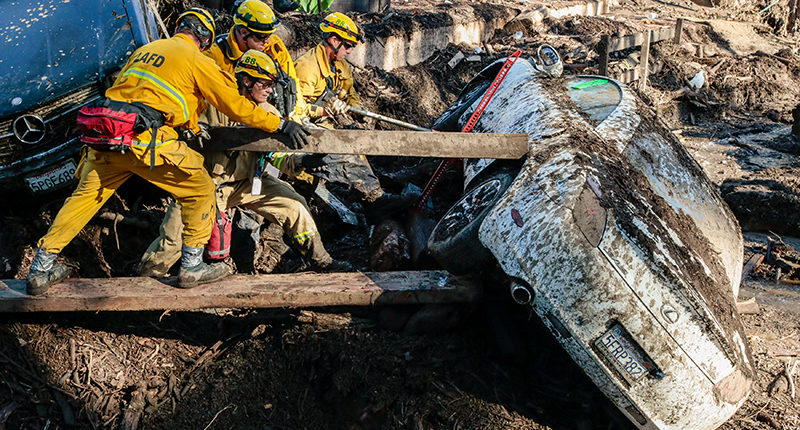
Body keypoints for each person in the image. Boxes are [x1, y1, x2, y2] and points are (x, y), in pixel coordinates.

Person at [25, 8, 311, 295]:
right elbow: (236, 106)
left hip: (109, 137)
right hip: (147, 140)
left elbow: (147, 94)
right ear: (205, 38)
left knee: (83, 200)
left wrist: (186, 124)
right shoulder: (196, 59)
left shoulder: (145, 51)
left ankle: (40, 268)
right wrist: (279, 125)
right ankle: (192, 266)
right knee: (200, 190)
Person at [138, 50, 351, 276]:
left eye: (272, 85)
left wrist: (304, 161)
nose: (270, 90)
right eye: (265, 84)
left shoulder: (268, 112)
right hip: (204, 185)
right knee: (172, 239)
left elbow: (276, 155)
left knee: (295, 205)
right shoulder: (210, 106)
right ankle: (146, 278)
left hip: (248, 183)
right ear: (246, 81)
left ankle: (321, 260)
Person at [294, 12, 408, 217]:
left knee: (356, 141)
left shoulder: (339, 64)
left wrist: (358, 111)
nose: (349, 51)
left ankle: (372, 198)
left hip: (326, 123)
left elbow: (349, 92)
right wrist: (323, 109)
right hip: (304, 128)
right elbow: (295, 109)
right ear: (334, 40)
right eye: (347, 46)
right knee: (344, 154)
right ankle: (373, 201)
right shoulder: (306, 67)